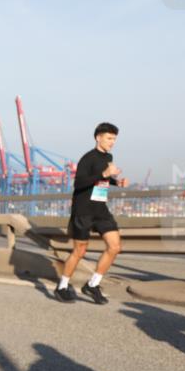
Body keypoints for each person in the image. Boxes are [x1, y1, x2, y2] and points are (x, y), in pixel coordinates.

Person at [55, 122, 129, 305]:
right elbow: (79, 183)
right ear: (98, 137)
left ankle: (92, 285)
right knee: (79, 251)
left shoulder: (108, 156)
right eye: (109, 138)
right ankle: (62, 286)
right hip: (84, 210)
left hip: (100, 209)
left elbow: (101, 178)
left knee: (115, 247)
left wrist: (116, 182)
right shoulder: (87, 158)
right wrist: (105, 173)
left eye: (114, 139)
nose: (112, 142)